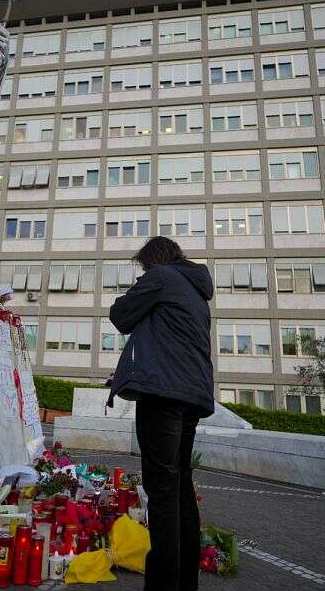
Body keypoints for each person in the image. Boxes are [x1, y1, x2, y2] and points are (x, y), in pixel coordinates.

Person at [107, 236, 214, 591]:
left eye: (144, 266)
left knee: (163, 492)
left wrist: (144, 284)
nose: (144, 272)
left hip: (164, 394)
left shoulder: (162, 277)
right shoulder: (196, 291)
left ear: (153, 260)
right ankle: (185, 583)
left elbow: (121, 315)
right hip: (192, 396)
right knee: (181, 487)